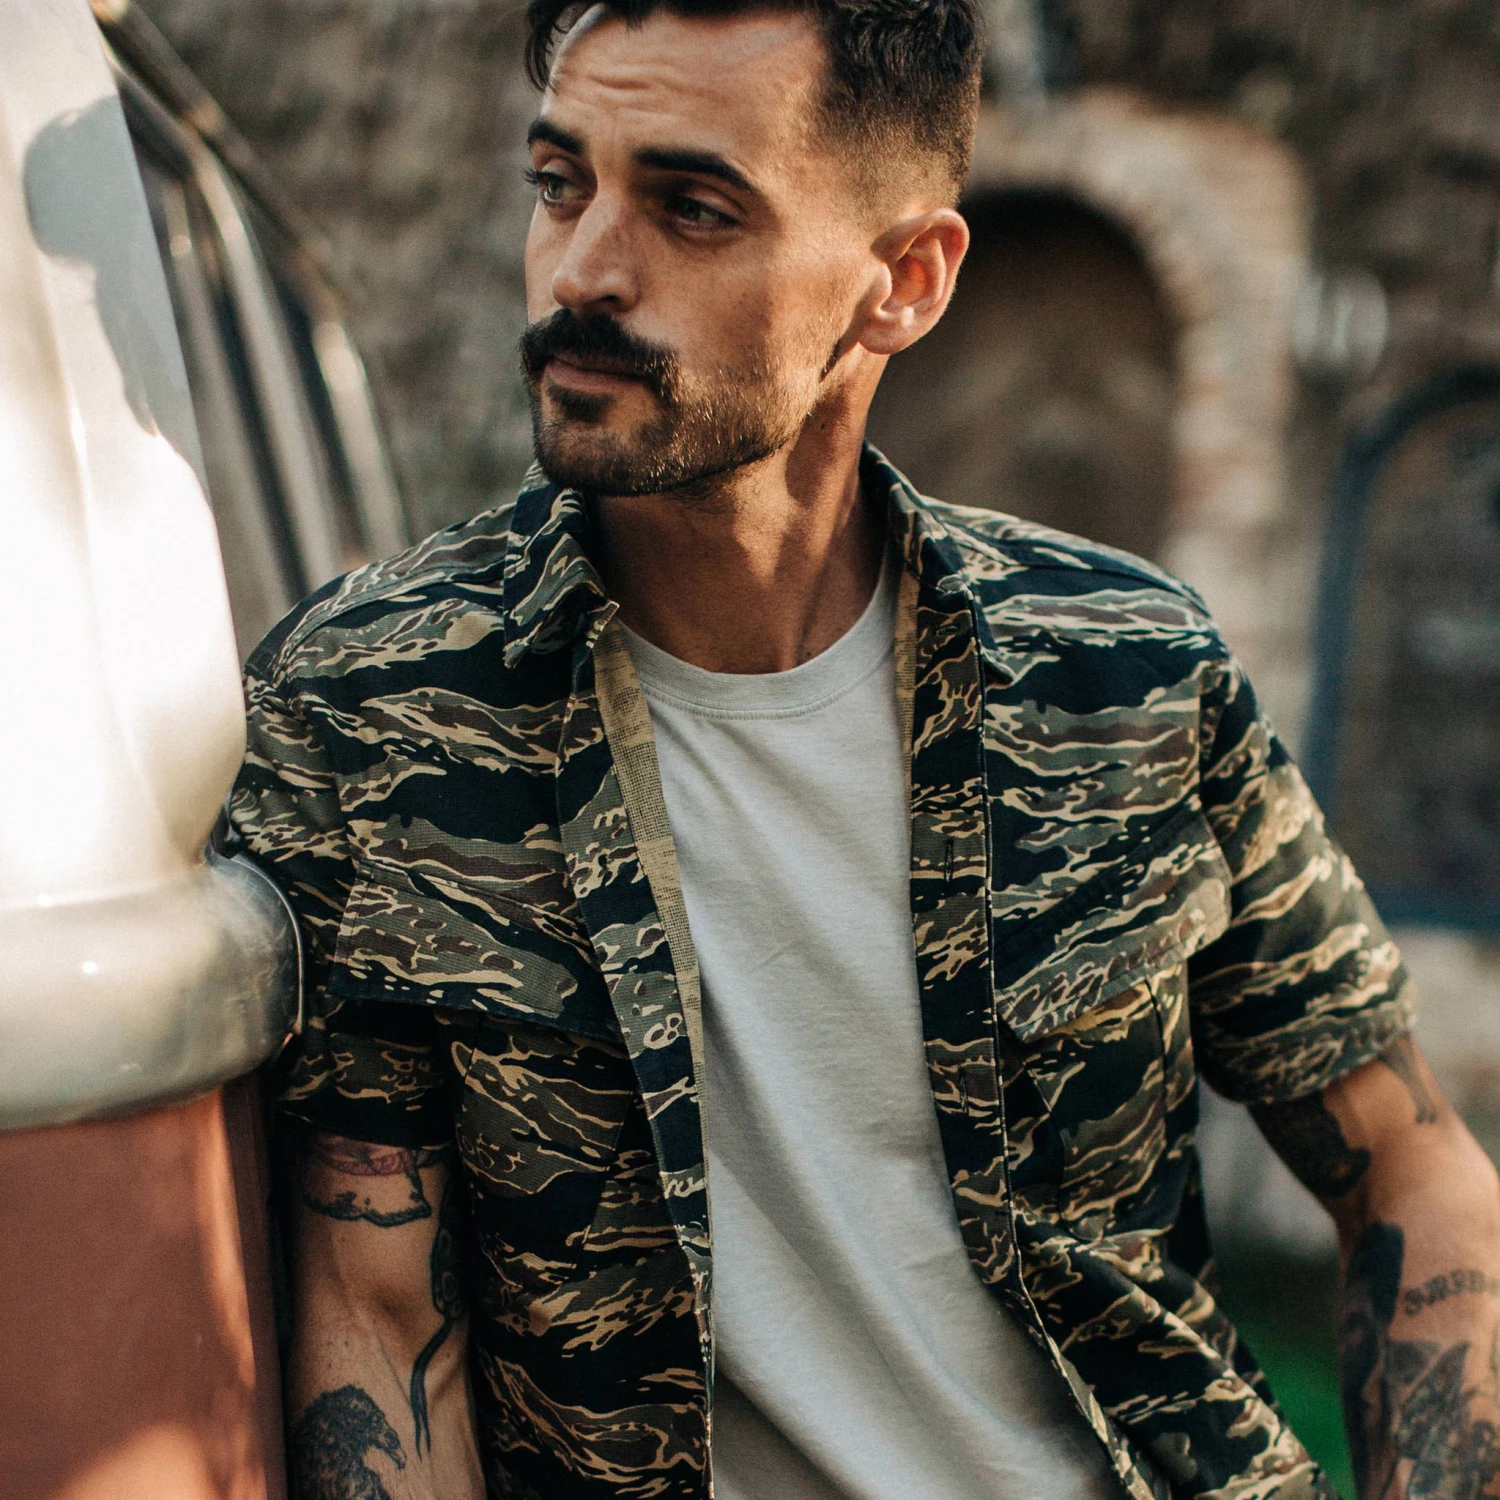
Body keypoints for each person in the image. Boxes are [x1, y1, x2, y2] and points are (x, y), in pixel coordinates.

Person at [230, 2, 1500, 1497]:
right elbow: (381, 1318)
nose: (581, 272)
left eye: (693, 210)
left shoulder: (1124, 672)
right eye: (561, 184)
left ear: (905, 280)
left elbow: (1409, 1160)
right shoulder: (373, 708)